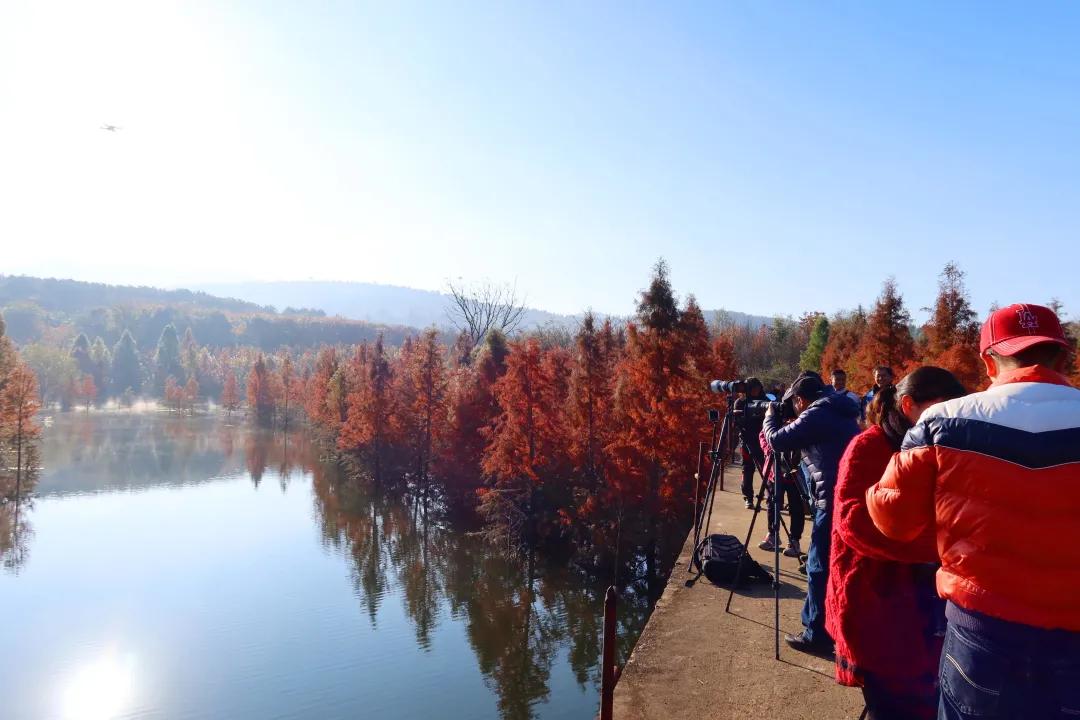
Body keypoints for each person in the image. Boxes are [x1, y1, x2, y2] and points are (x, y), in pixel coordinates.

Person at [867, 303, 1080, 720]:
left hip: (982, 632)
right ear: (1062, 355)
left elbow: (895, 521)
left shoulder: (941, 422)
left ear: (988, 360)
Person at [827, 367, 966, 720]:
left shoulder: (939, 448)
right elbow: (853, 523)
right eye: (940, 409)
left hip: (923, 601)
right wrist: (938, 546)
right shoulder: (869, 446)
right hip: (875, 597)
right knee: (892, 703)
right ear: (908, 405)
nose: (949, 418)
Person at [764, 374, 860, 654]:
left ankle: (815, 632)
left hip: (830, 499)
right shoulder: (838, 408)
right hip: (846, 494)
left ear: (800, 400)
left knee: (818, 565)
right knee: (830, 563)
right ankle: (830, 625)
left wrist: (769, 417)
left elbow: (777, 441)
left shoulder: (816, 412)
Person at [757, 427, 805, 557]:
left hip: (795, 470)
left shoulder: (802, 414)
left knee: (796, 506)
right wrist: (770, 449)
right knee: (772, 504)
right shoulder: (775, 413)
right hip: (773, 469)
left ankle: (794, 540)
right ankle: (773, 535)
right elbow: (763, 434)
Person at [732, 377, 767, 509]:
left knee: (766, 469)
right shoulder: (740, 403)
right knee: (747, 469)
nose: (756, 390)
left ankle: (771, 494)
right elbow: (736, 423)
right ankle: (748, 497)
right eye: (753, 388)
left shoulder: (765, 400)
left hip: (763, 440)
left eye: (758, 388)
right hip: (746, 440)